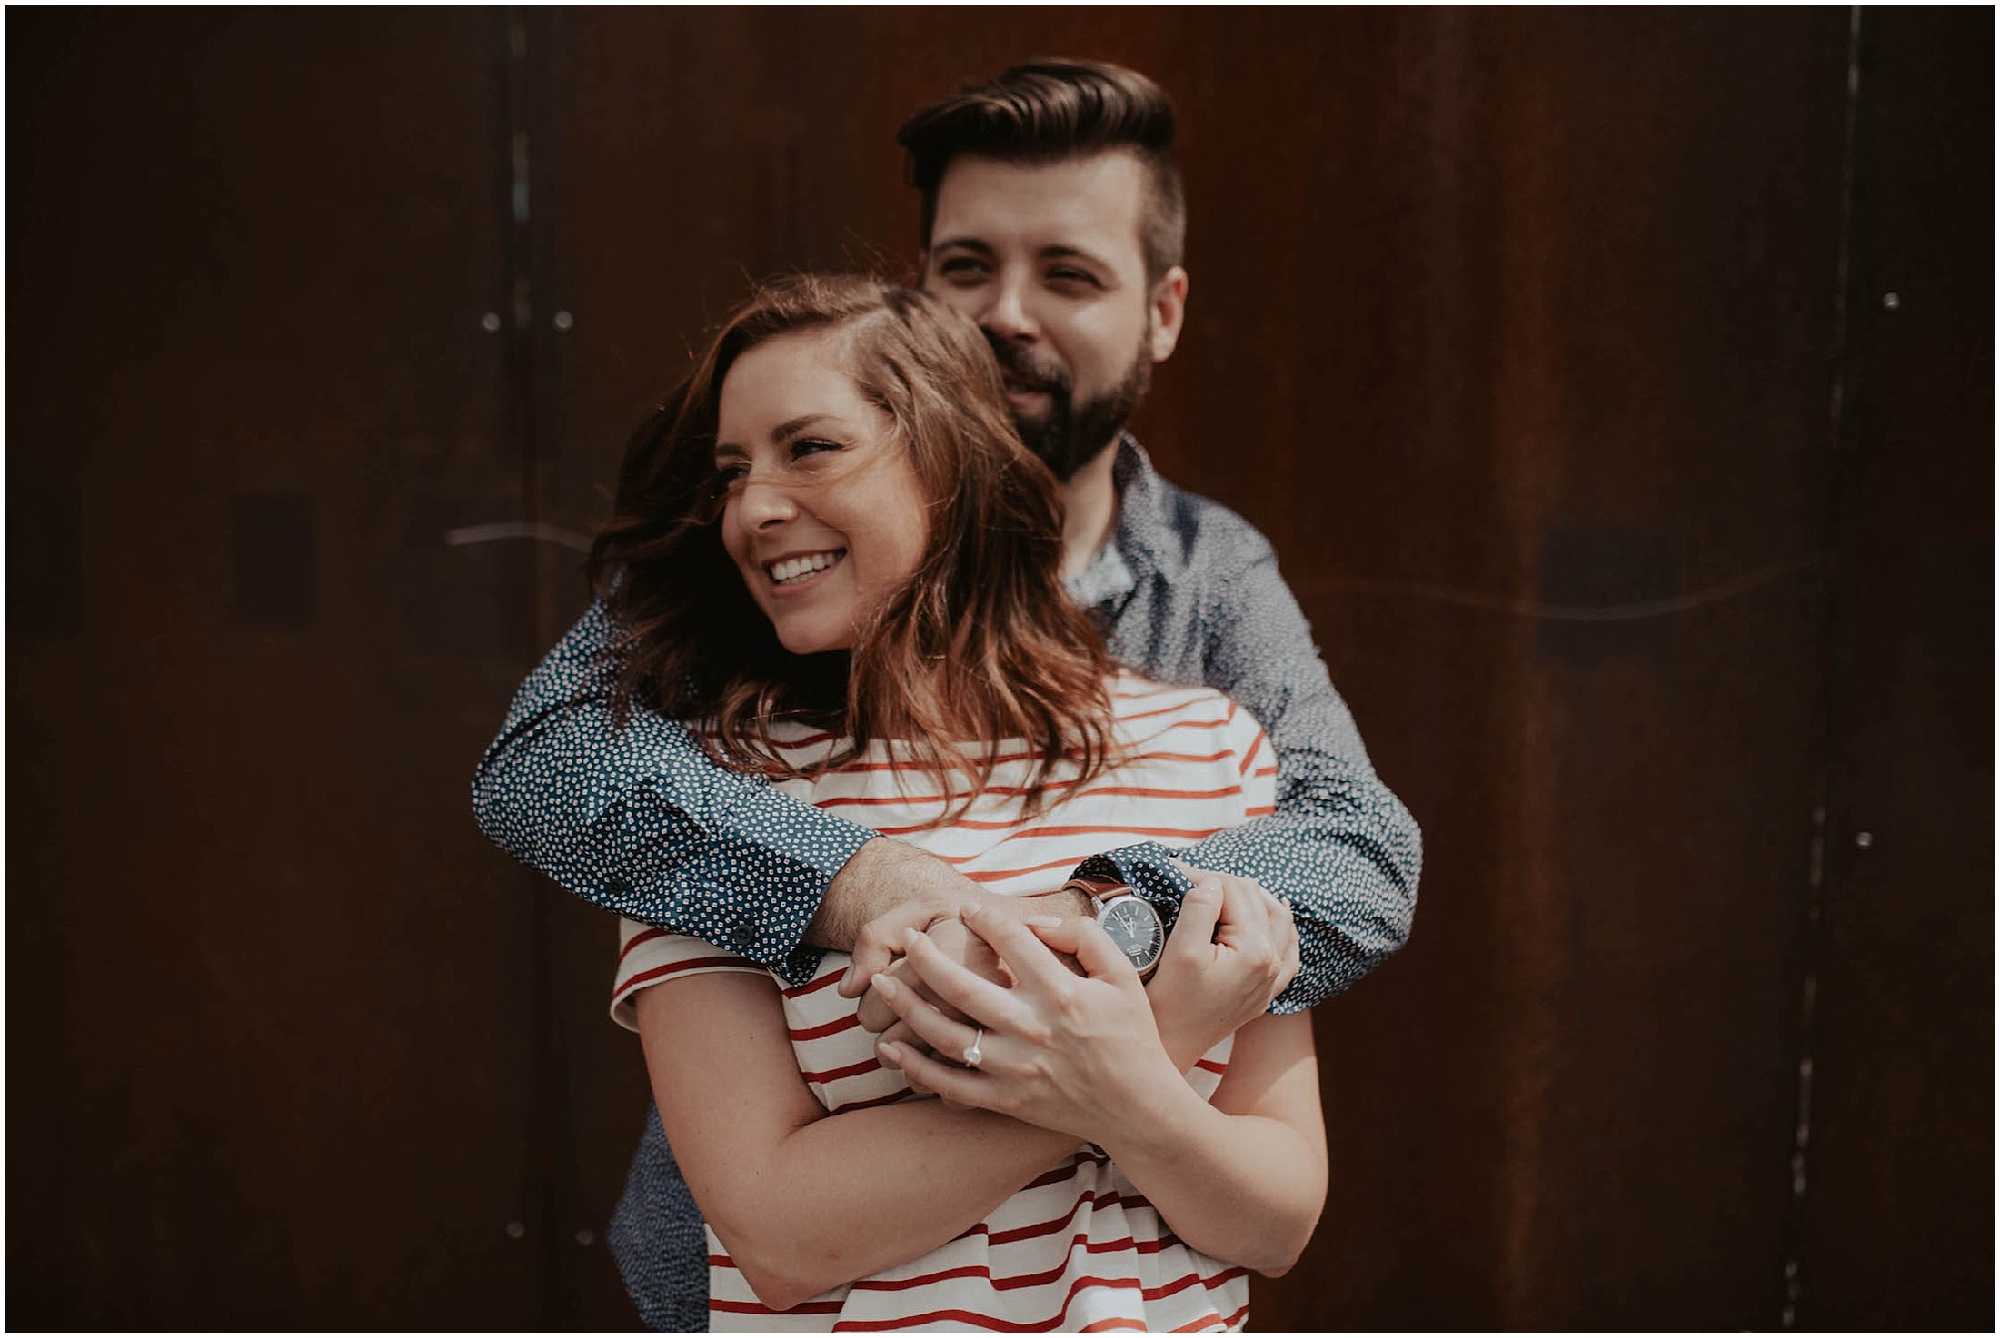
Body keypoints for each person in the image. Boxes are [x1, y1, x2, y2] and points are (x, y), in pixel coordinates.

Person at [472, 58, 1418, 1329]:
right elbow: (547, 762)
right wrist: (877, 892)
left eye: (1067, 274)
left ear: (1163, 311)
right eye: (964, 266)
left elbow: (1356, 853)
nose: (1000, 315)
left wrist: (1082, 950)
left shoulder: (1204, 589)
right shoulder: (748, 581)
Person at [604, 271, 1326, 1331]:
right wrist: (1142, 1053)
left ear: (950, 462)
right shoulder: (705, 795)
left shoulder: (1205, 750)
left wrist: (1098, 1076)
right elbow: (780, 1236)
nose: (751, 508)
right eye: (729, 473)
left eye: (808, 447)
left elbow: (1275, 1222)